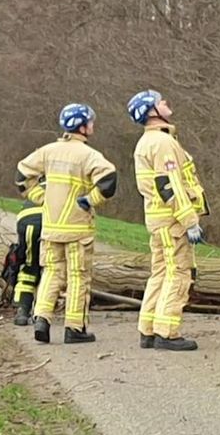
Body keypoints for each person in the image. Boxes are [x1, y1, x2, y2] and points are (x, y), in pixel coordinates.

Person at [16, 103, 117, 344]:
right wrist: (90, 200)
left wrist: (41, 198)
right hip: (78, 229)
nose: (92, 126)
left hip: (51, 227)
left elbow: (21, 177)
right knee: (78, 277)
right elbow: (109, 181)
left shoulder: (47, 151)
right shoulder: (88, 155)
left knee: (51, 273)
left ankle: (42, 318)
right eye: (90, 122)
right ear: (82, 126)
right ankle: (74, 327)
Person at [127, 90, 209, 351]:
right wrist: (190, 220)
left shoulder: (148, 142)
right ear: (152, 110)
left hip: (158, 219)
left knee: (160, 272)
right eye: (161, 101)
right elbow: (170, 185)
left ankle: (148, 329)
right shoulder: (163, 144)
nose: (166, 103)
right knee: (179, 273)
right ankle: (167, 332)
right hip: (172, 220)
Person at [11, 195, 44, 326]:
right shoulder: (67, 183)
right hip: (49, 221)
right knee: (53, 269)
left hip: (25, 220)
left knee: (29, 266)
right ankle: (43, 313)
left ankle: (22, 310)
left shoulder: (38, 185)